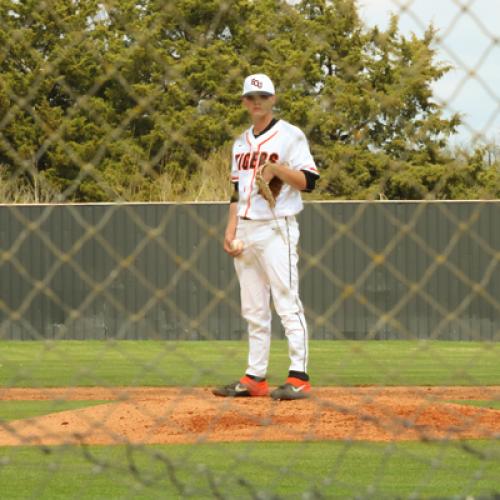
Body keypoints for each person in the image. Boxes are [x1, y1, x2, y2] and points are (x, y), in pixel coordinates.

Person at [212, 73, 320, 400]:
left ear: (273, 99)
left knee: (286, 300)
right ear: (244, 102)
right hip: (245, 228)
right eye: (251, 97)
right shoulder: (240, 143)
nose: (257, 102)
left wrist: (276, 170)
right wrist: (230, 231)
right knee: (254, 307)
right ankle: (255, 377)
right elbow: (236, 191)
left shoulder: (290, 136)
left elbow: (309, 181)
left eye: (263, 96)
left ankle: (299, 377)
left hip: (277, 227)